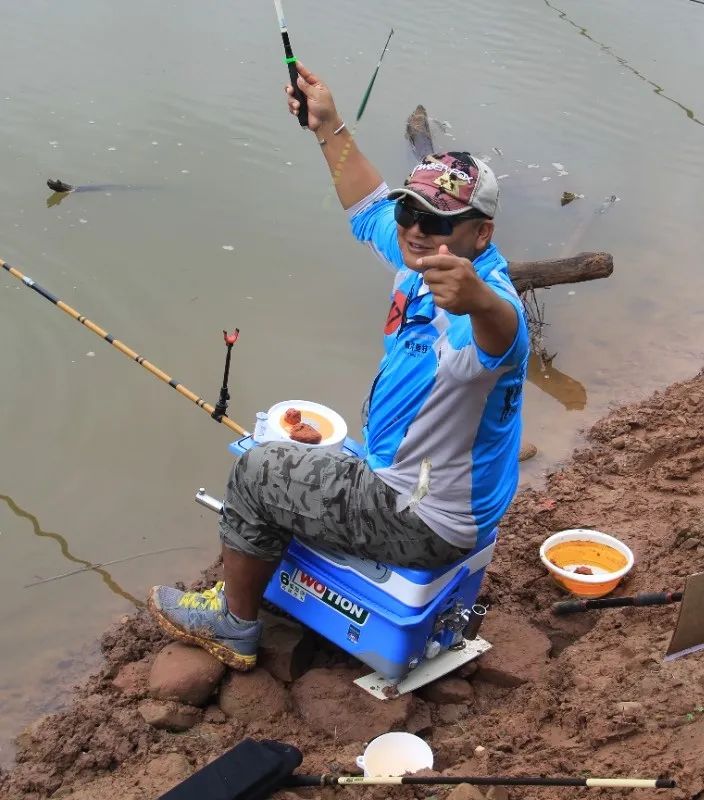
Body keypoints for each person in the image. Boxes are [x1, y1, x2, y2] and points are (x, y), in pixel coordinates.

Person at [148, 62, 529, 671]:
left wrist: (478, 300)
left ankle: (234, 625)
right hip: (438, 491)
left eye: (436, 221)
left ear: (481, 234)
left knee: (256, 470)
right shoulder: (418, 252)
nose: (414, 228)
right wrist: (327, 126)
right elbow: (369, 204)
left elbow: (502, 335)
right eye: (413, 211)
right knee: (290, 434)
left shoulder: (484, 308)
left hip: (422, 515)